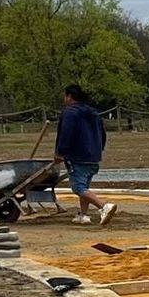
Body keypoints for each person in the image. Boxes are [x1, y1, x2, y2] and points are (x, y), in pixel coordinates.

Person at [55, 84, 116, 225]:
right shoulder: (93, 112)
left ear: (69, 96)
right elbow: (103, 133)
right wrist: (99, 149)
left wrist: (60, 152)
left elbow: (65, 133)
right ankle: (83, 215)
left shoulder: (70, 112)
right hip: (93, 155)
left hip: (77, 155)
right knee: (85, 186)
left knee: (78, 188)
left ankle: (103, 206)